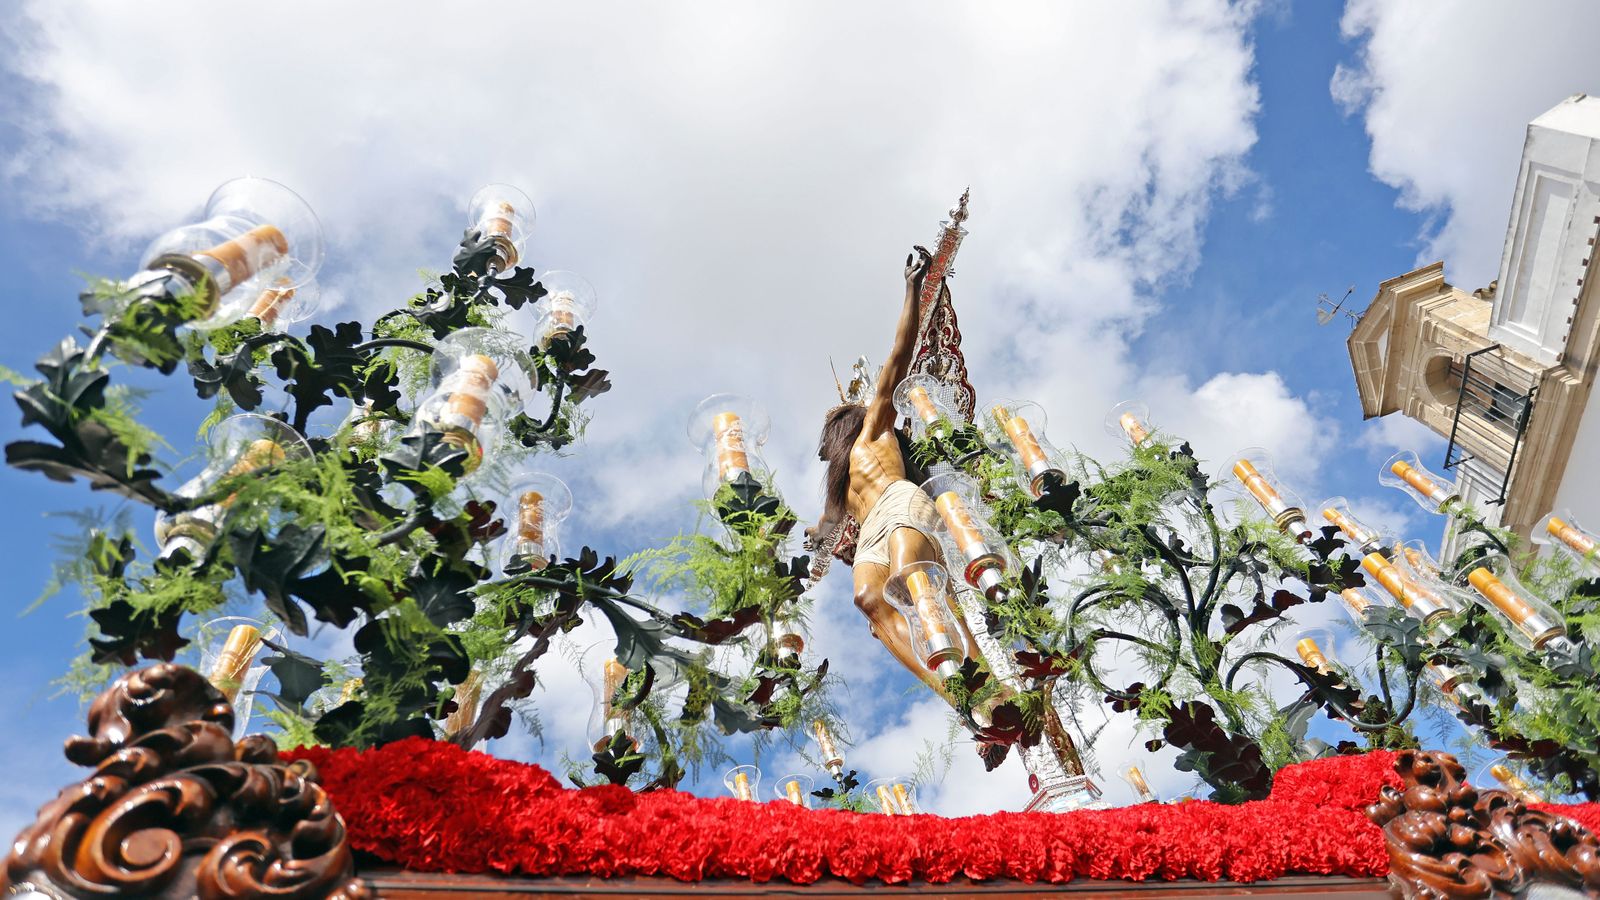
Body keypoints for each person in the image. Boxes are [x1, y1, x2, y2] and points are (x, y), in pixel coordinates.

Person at [807, 246, 981, 701]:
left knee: (912, 577)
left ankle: (976, 664)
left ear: (840, 428)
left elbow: (897, 358)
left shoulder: (873, 429)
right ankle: (949, 689)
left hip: (899, 501)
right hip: (869, 536)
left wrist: (912, 288)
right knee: (869, 600)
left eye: (827, 440)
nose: (824, 452)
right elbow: (823, 530)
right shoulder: (840, 491)